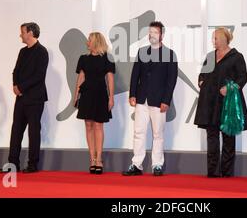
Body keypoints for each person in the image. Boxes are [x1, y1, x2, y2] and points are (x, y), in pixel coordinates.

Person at [122, 21, 178, 176]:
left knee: (158, 134)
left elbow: (171, 80)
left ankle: (157, 165)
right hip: (141, 99)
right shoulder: (142, 52)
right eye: (150, 32)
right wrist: (132, 94)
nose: (151, 34)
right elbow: (135, 75)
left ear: (162, 35)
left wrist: (166, 100)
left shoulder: (170, 54)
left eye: (155, 32)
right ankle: (136, 164)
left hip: (159, 101)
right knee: (138, 132)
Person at [194, 27, 247, 178]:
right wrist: (201, 80)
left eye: (216, 38)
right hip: (210, 103)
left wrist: (230, 87)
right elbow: (203, 73)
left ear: (225, 39)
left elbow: (243, 78)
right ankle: (212, 172)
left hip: (228, 103)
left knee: (228, 138)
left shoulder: (236, 56)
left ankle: (227, 173)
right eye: (213, 38)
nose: (214, 41)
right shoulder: (211, 56)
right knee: (211, 137)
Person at [0, 22, 49, 174]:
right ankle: (13, 163)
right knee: (16, 131)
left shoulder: (42, 52)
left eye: (22, 32)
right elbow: (16, 71)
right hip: (21, 98)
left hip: (35, 99)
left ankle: (32, 165)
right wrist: (15, 85)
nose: (20, 35)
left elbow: (39, 76)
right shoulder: (22, 51)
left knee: (33, 132)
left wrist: (21, 87)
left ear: (31, 33)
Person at [74, 32, 115, 174]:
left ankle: (99, 160)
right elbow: (81, 77)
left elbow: (110, 79)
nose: (87, 43)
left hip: (100, 94)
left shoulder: (107, 58)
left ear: (96, 42)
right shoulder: (83, 59)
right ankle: (92, 159)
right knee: (88, 125)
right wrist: (75, 95)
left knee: (98, 125)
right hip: (86, 94)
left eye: (89, 40)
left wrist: (111, 98)